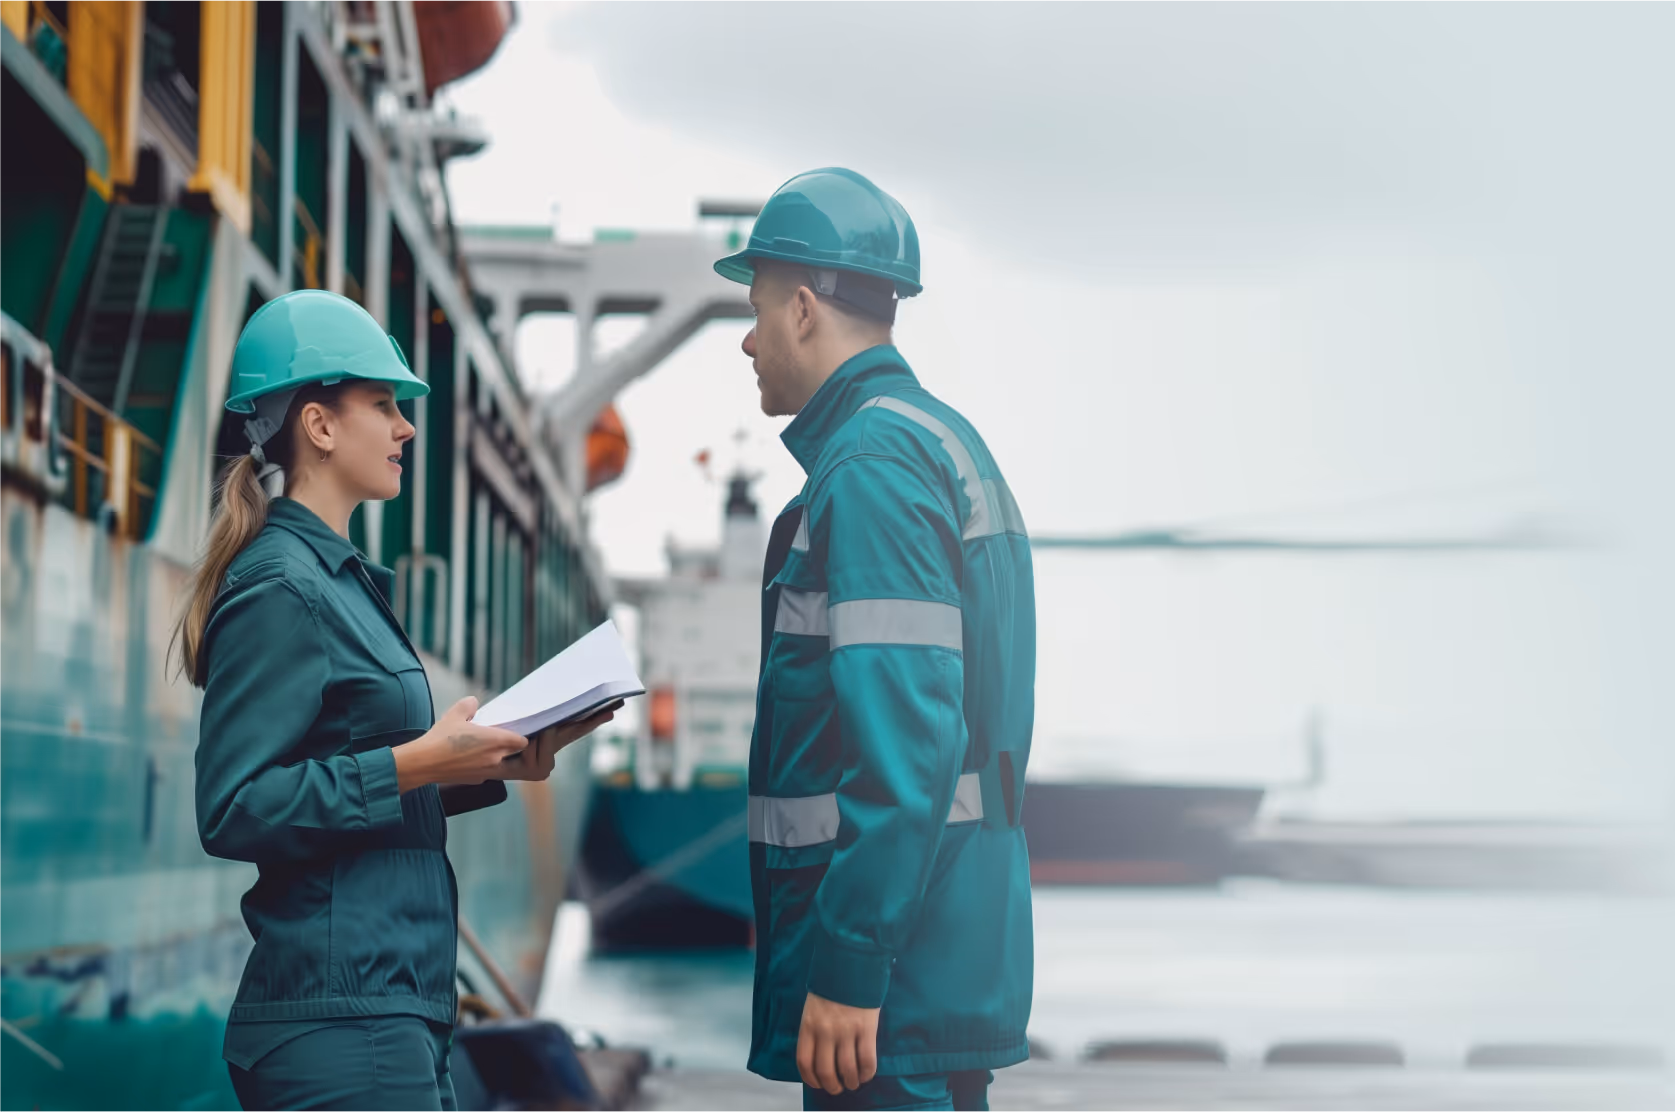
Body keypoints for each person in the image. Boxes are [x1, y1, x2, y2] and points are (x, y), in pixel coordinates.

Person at [174, 289, 613, 1112]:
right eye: (383, 405)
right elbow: (234, 807)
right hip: (343, 1025)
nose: (407, 427)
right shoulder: (282, 587)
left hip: (393, 1012)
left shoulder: (338, 585)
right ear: (320, 426)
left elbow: (349, 776)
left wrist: (491, 765)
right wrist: (418, 760)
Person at [714, 167, 1037, 1112]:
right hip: (937, 966)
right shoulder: (940, 440)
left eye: (759, 308)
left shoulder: (871, 464)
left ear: (805, 309)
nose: (748, 338)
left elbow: (908, 745)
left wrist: (850, 964)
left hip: (890, 994)